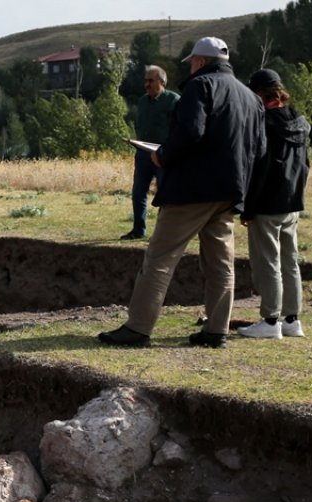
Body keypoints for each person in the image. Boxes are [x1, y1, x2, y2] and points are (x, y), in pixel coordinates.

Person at [98, 36, 267, 349]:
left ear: (201, 61)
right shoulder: (250, 98)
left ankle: (138, 327)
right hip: (230, 192)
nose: (189, 66)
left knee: (160, 257)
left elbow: (190, 132)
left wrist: (162, 156)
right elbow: (260, 149)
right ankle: (216, 330)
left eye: (191, 61)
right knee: (220, 264)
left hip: (192, 189)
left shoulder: (199, 87)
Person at [237, 68, 310, 339]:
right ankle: (292, 320)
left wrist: (247, 206)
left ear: (259, 93)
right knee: (290, 262)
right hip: (292, 202)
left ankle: (270, 322)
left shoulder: (263, 123)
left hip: (267, 203)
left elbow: (259, 169)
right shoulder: (299, 122)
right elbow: (305, 165)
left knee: (268, 262)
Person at [123, 65, 180, 240]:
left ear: (162, 82)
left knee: (164, 194)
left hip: (163, 155)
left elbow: (179, 128)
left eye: (150, 80)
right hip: (143, 154)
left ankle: (164, 233)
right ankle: (138, 230)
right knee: (138, 192)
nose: (146, 84)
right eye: (145, 80)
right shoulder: (142, 101)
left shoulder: (174, 100)